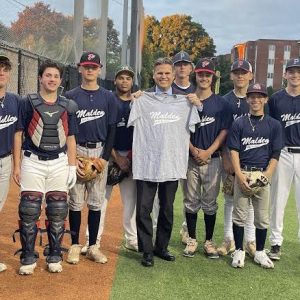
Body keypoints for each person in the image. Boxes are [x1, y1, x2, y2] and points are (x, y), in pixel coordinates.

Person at [128, 57, 200, 267]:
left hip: (171, 163)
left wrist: (198, 104)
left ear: (174, 75)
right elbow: (130, 120)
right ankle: (147, 251)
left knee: (167, 210)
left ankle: (161, 247)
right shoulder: (142, 99)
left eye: (167, 73)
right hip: (147, 163)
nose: (164, 76)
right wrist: (135, 99)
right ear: (153, 75)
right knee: (143, 209)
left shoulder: (185, 101)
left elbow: (195, 123)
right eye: (160, 73)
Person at [13, 60, 78, 275]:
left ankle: (54, 254)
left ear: (60, 80)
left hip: (59, 162)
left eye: (56, 76)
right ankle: (29, 256)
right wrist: (17, 165)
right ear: (40, 78)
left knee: (58, 210)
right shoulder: (27, 102)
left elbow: (70, 137)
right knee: (29, 209)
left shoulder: (68, 105)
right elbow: (18, 133)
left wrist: (71, 166)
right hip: (32, 160)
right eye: (48, 75)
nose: (52, 79)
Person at [65, 51, 119, 265]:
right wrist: (72, 159)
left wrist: (105, 159)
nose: (89, 70)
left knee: (96, 204)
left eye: (93, 67)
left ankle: (94, 246)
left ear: (99, 69)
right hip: (76, 151)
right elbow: (65, 129)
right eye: (86, 66)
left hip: (99, 152)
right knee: (75, 203)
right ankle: (75, 246)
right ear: (80, 68)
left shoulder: (108, 97)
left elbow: (113, 130)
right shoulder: (70, 96)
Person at [81, 65, 138, 254]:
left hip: (131, 157)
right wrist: (116, 157)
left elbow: (142, 133)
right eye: (121, 78)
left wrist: (127, 158)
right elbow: (106, 132)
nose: (124, 81)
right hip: (107, 156)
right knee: (99, 200)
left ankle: (132, 239)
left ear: (132, 81)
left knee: (130, 201)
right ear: (115, 80)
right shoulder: (106, 99)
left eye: (128, 78)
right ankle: (92, 240)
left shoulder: (138, 102)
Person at [228, 83, 282, 268]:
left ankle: (259, 251)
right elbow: (233, 150)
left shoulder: (273, 124)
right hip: (243, 171)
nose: (256, 99)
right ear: (247, 99)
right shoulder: (239, 122)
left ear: (265, 99)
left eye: (260, 96)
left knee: (262, 217)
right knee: (239, 216)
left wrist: (267, 174)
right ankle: (239, 251)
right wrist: (239, 175)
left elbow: (276, 153)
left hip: (262, 174)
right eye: (252, 96)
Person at [182, 58, 231, 259]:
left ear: (213, 77)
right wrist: (193, 150)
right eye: (201, 74)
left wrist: (209, 151)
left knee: (210, 201)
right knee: (190, 200)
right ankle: (192, 239)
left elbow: (224, 131)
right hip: (189, 156)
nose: (204, 77)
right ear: (196, 75)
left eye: (207, 74)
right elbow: (180, 130)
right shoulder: (186, 100)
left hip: (213, 158)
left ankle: (208, 241)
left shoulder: (222, 104)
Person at [217, 60, 256, 257]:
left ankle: (250, 240)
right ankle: (228, 238)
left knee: (250, 199)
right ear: (231, 76)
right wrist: (225, 156)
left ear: (251, 75)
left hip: (253, 160)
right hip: (231, 159)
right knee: (230, 199)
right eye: (236, 73)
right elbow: (222, 131)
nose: (240, 76)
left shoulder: (256, 99)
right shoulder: (224, 101)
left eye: (244, 72)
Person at [268, 58, 300, 260]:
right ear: (285, 74)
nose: (295, 74)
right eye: (291, 71)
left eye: (298, 71)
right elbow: (270, 127)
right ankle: (275, 243)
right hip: (284, 153)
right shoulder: (276, 99)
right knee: (277, 201)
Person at [172, 50, 196, 245]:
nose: (181, 66)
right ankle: (154, 231)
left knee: (190, 195)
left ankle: (187, 230)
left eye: (185, 64)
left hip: (190, 153)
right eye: (178, 64)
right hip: (169, 151)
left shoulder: (198, 90)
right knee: (161, 197)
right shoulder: (162, 89)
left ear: (191, 68)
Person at [0, 53, 20, 272]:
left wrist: (16, 165)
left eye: (5, 68)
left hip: (5, 162)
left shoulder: (14, 100)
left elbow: (17, 134)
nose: (1, 71)